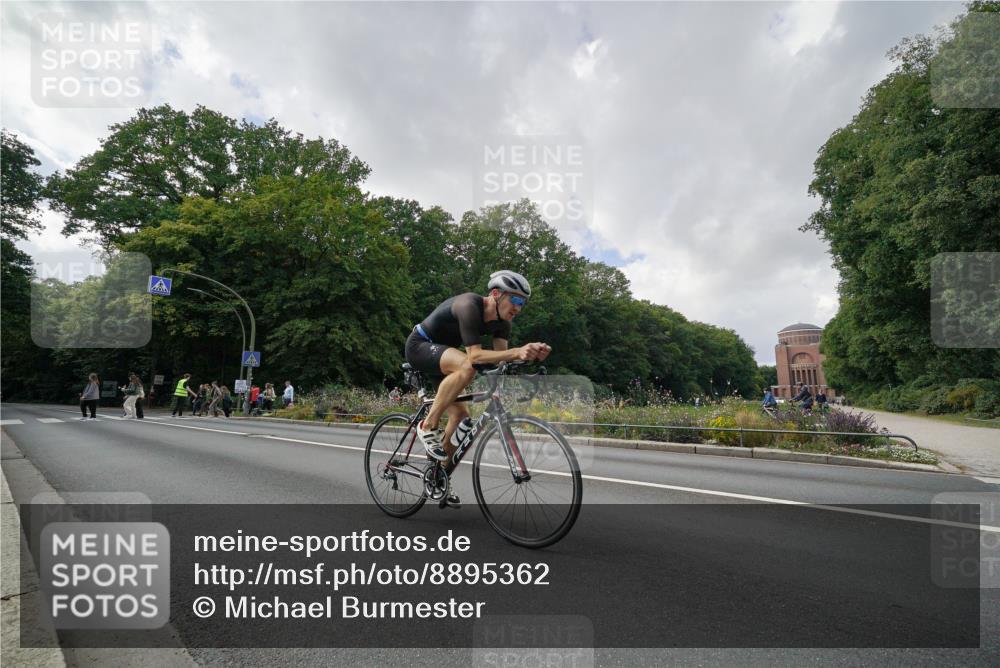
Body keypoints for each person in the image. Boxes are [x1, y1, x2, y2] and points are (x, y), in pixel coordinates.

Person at [406, 270, 550, 508]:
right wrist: (517, 351)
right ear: (495, 294)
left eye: (523, 303)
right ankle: (428, 425)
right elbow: (475, 356)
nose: (519, 307)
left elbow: (497, 360)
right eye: (515, 300)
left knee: (462, 417)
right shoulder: (468, 304)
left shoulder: (504, 323)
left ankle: (437, 477)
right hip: (420, 346)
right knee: (468, 364)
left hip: (444, 358)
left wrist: (529, 358)